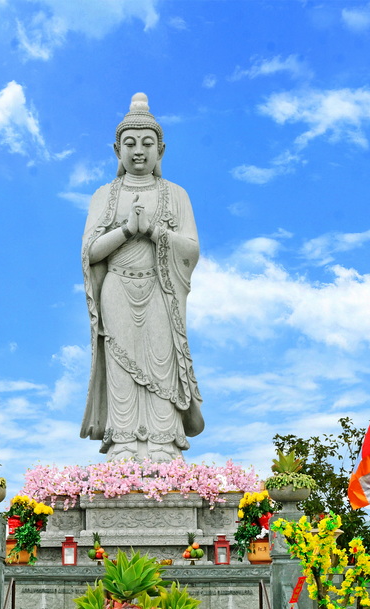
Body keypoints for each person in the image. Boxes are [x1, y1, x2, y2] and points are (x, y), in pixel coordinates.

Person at [80, 93, 204, 462]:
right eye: (130, 143)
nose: (138, 151)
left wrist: (152, 230)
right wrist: (126, 231)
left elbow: (191, 249)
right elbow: (90, 252)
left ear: (160, 150)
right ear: (116, 150)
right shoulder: (104, 195)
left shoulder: (176, 195)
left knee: (162, 364)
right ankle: (124, 444)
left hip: (160, 291)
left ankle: (164, 444)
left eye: (147, 143)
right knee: (121, 367)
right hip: (118, 287)